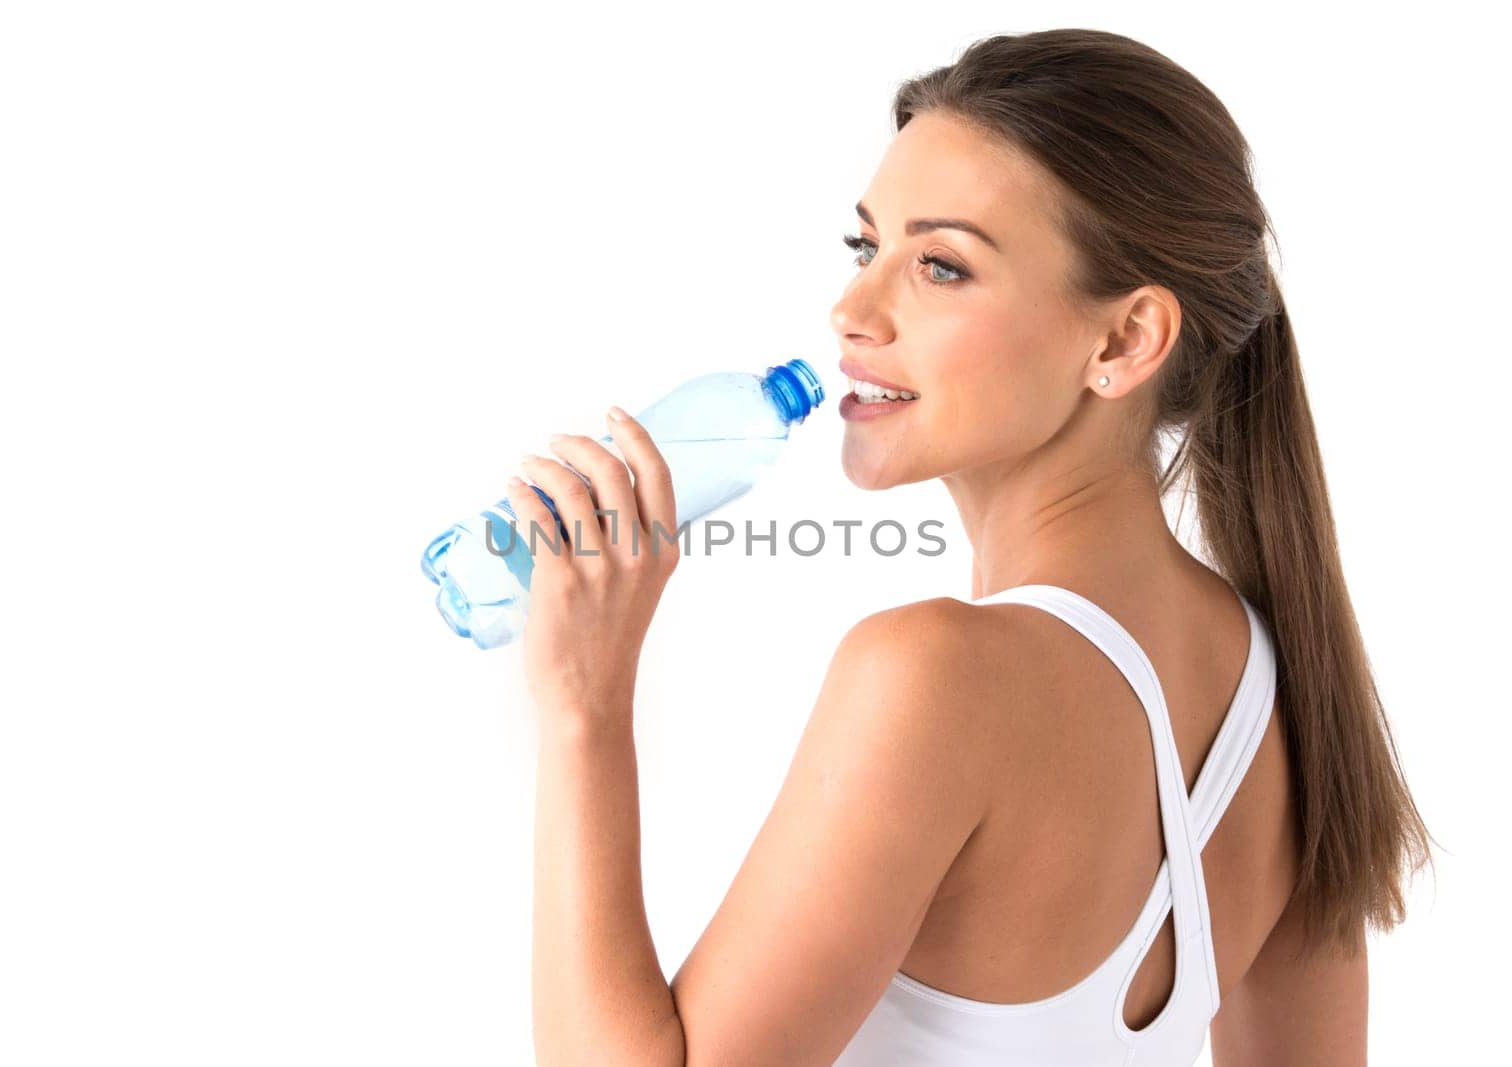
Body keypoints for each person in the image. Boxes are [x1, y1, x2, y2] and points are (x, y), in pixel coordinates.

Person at [509, 27, 1435, 1067]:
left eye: (941, 266)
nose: (852, 309)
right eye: (868, 249)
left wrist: (584, 706)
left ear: (1124, 341)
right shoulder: (1278, 686)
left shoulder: (935, 677)